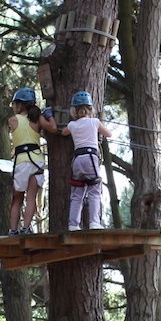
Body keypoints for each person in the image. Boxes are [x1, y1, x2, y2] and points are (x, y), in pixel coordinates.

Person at [6, 88, 56, 235]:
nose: (14, 107)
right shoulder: (37, 119)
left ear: (20, 105)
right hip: (36, 161)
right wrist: (49, 115)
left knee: (17, 199)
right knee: (31, 197)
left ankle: (13, 230)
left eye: (15, 104)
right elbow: (52, 128)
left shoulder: (12, 120)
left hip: (21, 161)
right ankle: (26, 228)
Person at [60, 90, 112, 230]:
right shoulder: (95, 122)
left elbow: (63, 132)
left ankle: (73, 224)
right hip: (90, 158)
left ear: (74, 110)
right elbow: (109, 134)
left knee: (77, 193)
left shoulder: (72, 125)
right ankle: (94, 222)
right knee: (94, 191)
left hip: (77, 160)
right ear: (90, 109)